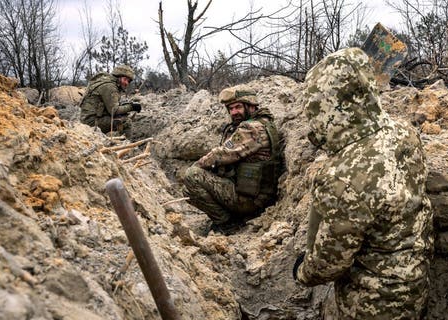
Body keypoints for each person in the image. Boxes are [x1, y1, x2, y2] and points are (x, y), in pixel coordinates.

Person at [292, 47, 434, 319]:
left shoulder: (340, 177)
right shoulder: (404, 132)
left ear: (328, 106)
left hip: (372, 305)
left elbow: (330, 262)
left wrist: (302, 271)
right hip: (417, 282)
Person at [182, 84, 282, 230]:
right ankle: (231, 217)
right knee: (188, 192)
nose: (234, 112)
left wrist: (197, 165)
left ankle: (227, 223)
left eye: (238, 107)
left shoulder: (251, 128)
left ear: (251, 106)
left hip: (250, 201)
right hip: (255, 195)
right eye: (231, 108)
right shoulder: (264, 123)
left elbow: (221, 155)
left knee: (192, 175)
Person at [79, 64, 142, 134]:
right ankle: (124, 142)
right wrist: (132, 107)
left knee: (122, 115)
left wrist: (127, 105)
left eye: (128, 81)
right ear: (118, 77)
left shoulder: (106, 82)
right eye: (125, 79)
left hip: (88, 119)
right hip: (91, 122)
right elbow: (114, 111)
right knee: (126, 121)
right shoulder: (110, 87)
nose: (126, 83)